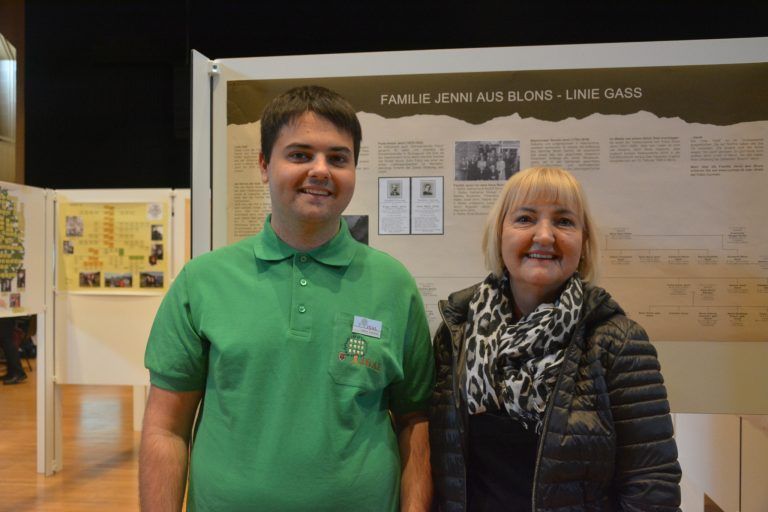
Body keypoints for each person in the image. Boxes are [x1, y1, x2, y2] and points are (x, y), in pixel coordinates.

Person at [140, 85, 434, 511]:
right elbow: (165, 429)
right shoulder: (202, 281)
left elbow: (415, 421)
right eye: (299, 155)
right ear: (264, 165)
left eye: (338, 158)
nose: (320, 170)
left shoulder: (393, 284)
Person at [430, 167, 681, 511]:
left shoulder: (617, 342)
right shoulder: (458, 330)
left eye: (564, 221)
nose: (545, 236)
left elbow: (651, 484)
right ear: (499, 234)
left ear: (584, 242)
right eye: (525, 219)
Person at [1, 317, 27, 385]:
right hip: (5, 315)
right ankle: (11, 372)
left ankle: (18, 373)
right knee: (6, 342)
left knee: (7, 342)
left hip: (5, 315)